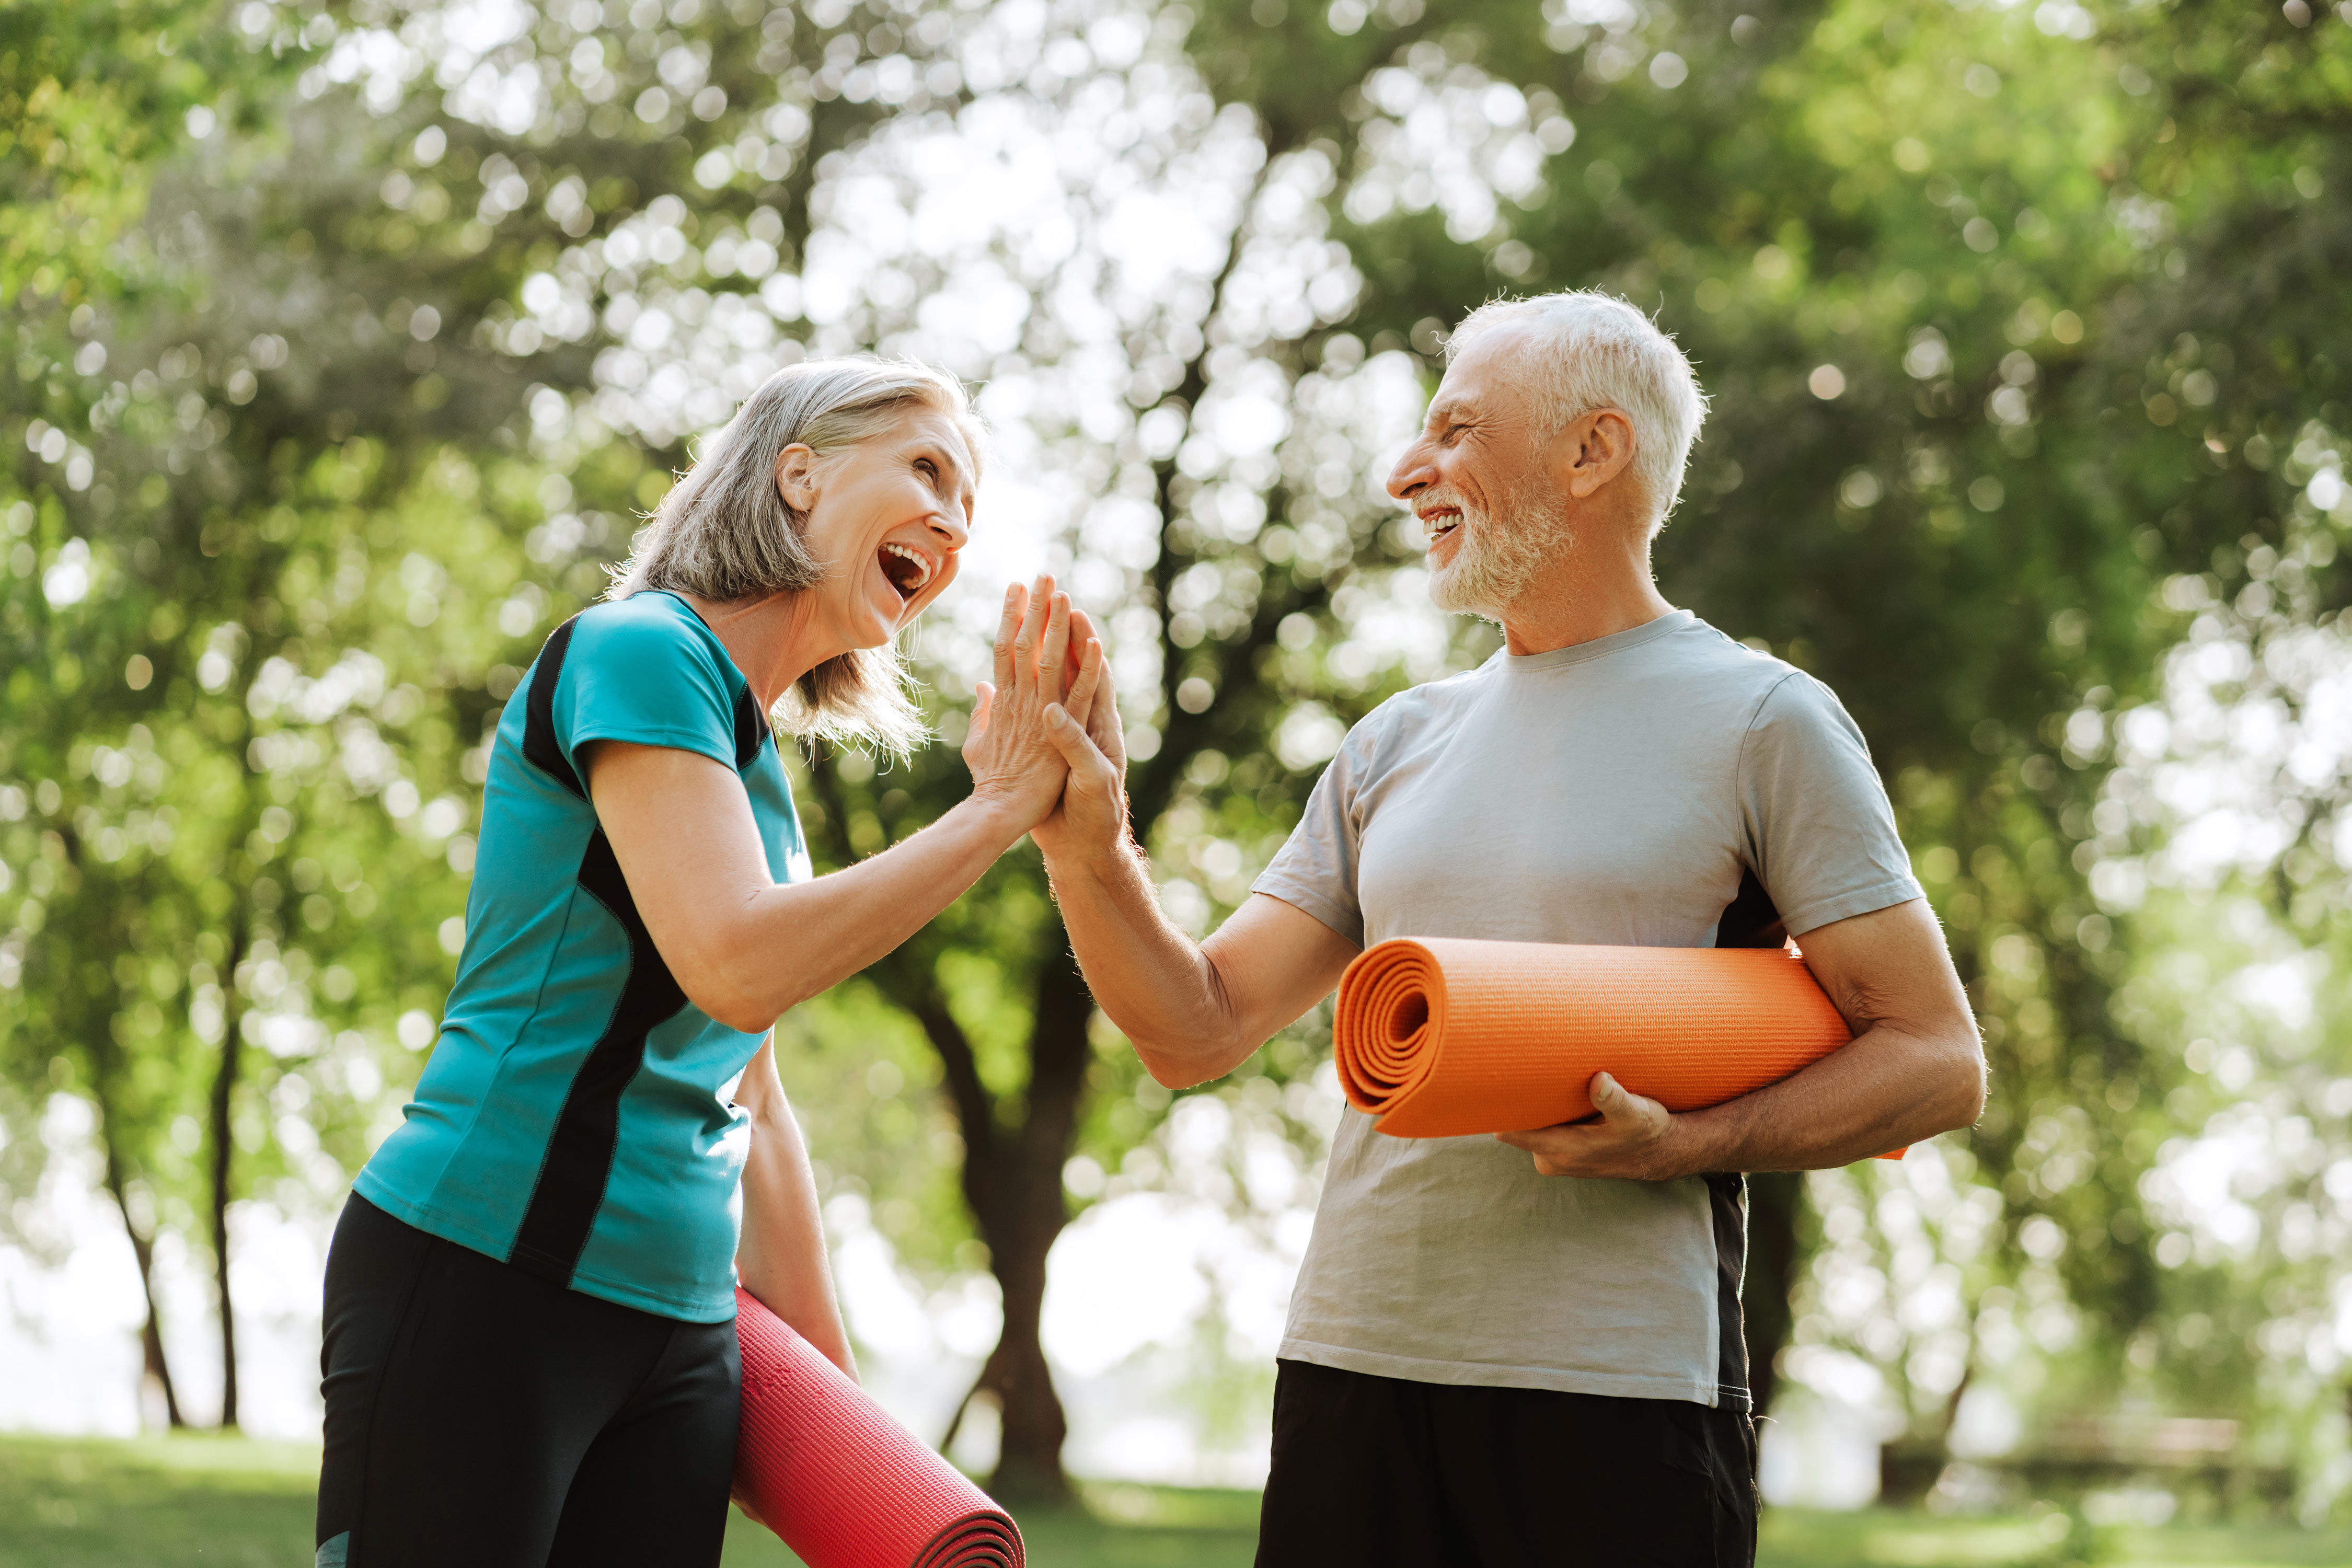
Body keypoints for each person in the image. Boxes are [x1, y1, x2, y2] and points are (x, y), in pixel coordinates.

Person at [1032, 292, 1986, 1566]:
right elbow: (1194, 1030)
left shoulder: (1766, 722)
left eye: (1456, 430)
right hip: (1353, 1366)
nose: (1404, 473)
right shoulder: (1393, 743)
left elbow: (1936, 1057)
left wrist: (1689, 1142)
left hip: (1619, 1396)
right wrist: (1087, 845)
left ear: (1593, 453)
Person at [314, 358, 1103, 1568]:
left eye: (970, 506)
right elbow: (734, 963)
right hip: (486, 1277)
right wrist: (996, 813)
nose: (953, 523)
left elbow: (760, 1105)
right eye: (927, 469)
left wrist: (858, 1442)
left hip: (682, 1331)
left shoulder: (763, 777)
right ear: (798, 476)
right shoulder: (639, 653)